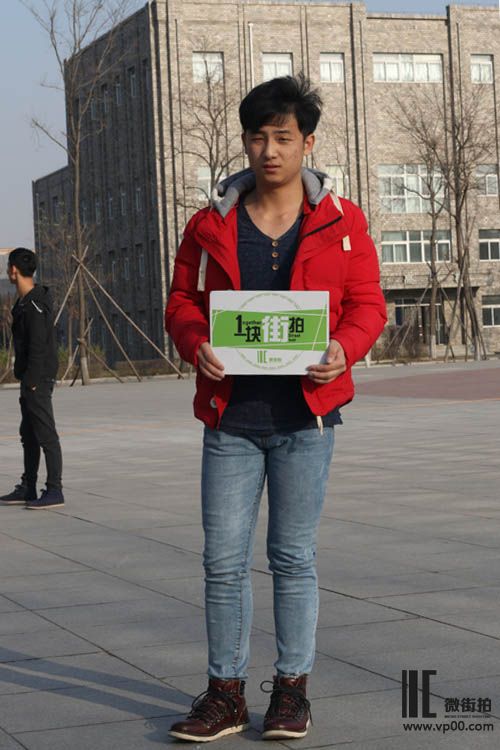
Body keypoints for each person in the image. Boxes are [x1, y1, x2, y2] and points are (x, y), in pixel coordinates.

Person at [165, 74, 386, 742]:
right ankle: (225, 694)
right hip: (230, 418)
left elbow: (368, 305)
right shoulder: (209, 224)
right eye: (258, 137)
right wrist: (197, 343)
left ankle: (292, 691)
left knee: (292, 558)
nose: (270, 150)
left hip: (304, 420)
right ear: (245, 142)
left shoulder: (343, 223)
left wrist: (344, 349)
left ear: (307, 143)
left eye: (283, 137)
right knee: (223, 563)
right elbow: (182, 302)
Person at [0, 248, 64, 509]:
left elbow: (38, 345)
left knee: (45, 434)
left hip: (38, 377)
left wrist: (33, 380)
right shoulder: (25, 302)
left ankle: (54, 490)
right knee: (28, 433)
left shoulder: (35, 303)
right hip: (30, 376)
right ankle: (28, 487)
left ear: (14, 270)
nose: (7, 271)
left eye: (8, 267)